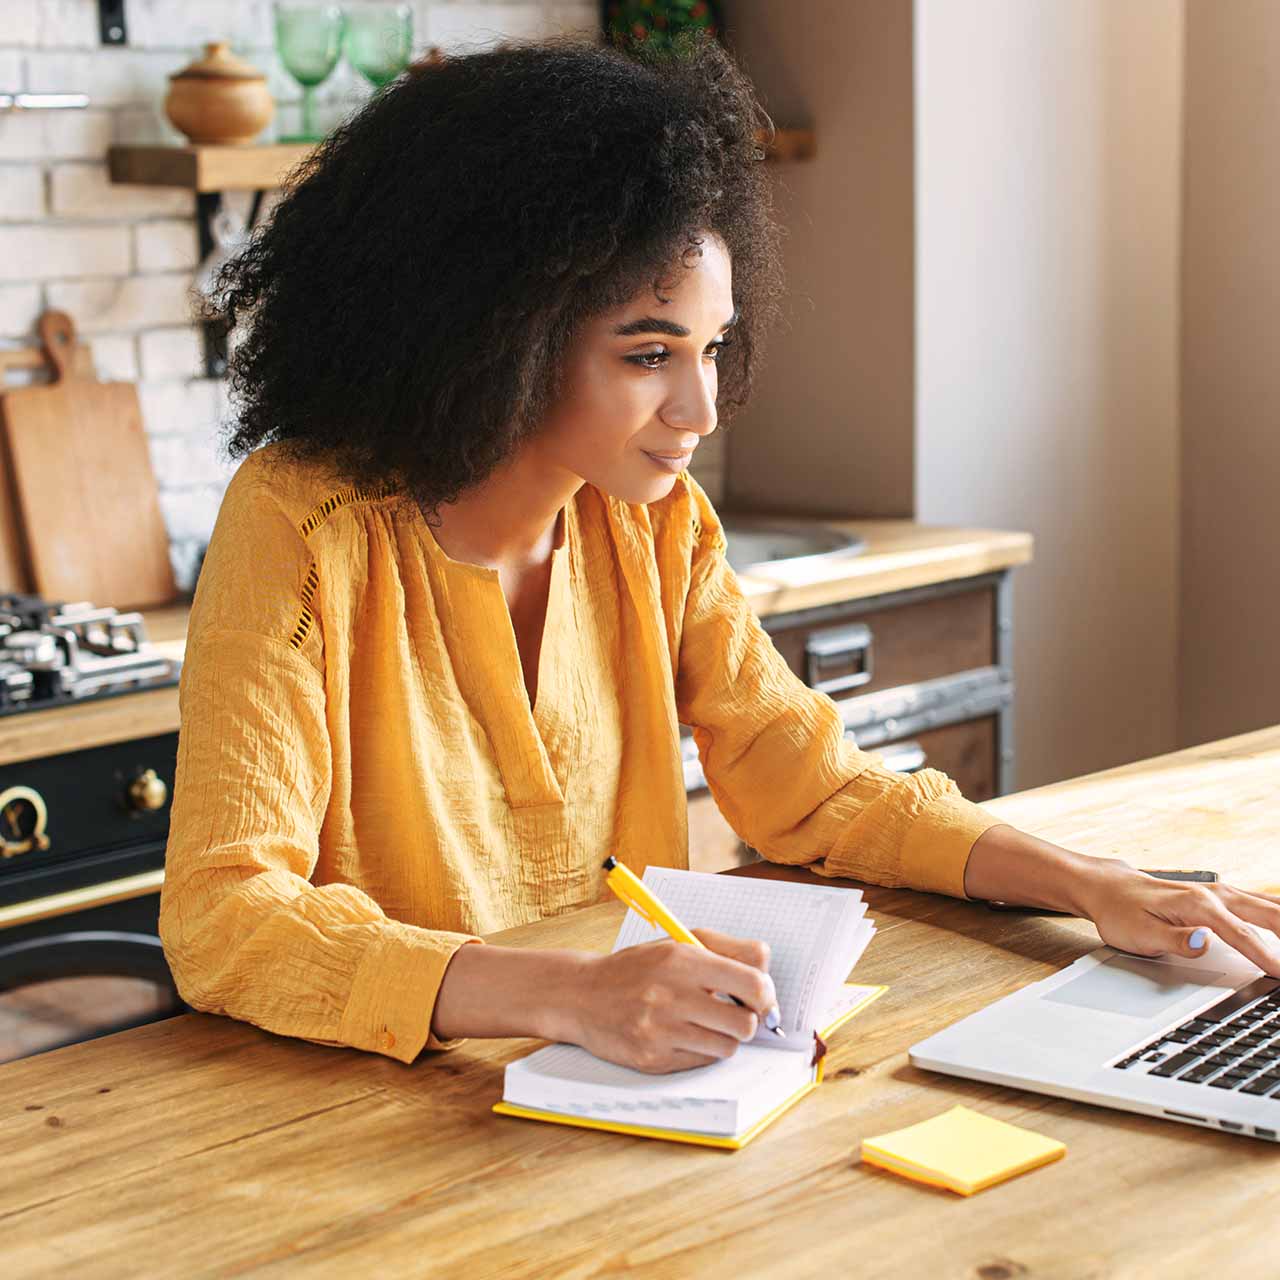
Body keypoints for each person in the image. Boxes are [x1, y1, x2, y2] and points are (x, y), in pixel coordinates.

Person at [159, 35, 1280, 1076]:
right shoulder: (301, 525)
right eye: (648, 354)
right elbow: (227, 916)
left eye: (711, 347)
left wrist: (1092, 884)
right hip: (372, 1117)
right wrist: (567, 996)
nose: (698, 405)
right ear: (491, 336)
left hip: (632, 1080)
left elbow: (817, 789)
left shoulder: (650, 520)